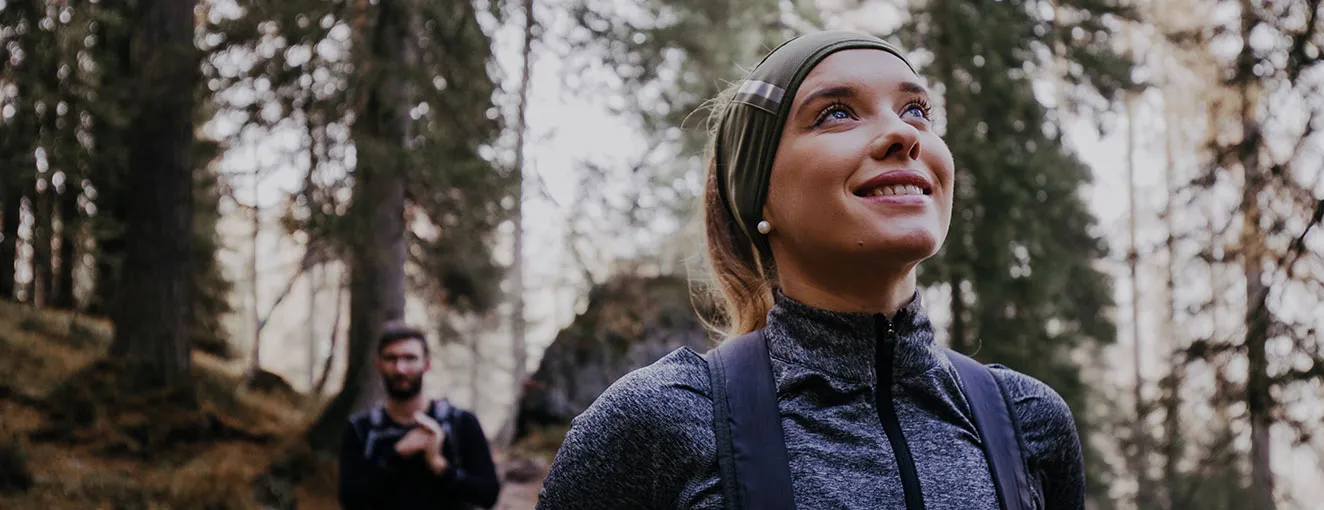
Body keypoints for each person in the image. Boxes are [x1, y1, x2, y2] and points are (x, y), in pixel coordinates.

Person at [538, 30, 1085, 509]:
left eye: (916, 110)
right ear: (759, 196)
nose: (904, 134)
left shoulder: (1028, 420)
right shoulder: (660, 421)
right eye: (836, 113)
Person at [339, 324, 500, 509]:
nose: (400, 369)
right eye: (391, 358)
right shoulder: (361, 429)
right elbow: (350, 501)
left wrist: (440, 466)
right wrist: (396, 455)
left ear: (427, 364)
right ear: (378, 365)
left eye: (410, 358)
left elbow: (488, 495)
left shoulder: (461, 423)